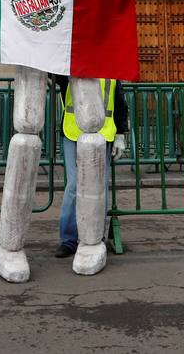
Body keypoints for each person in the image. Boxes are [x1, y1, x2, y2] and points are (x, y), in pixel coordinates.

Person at [54, 75, 130, 259]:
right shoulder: (72, 64)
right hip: (73, 131)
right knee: (73, 185)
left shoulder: (111, 65)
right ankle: (68, 239)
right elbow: (54, 73)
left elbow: (119, 100)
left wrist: (121, 133)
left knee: (98, 187)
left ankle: (95, 236)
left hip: (103, 133)